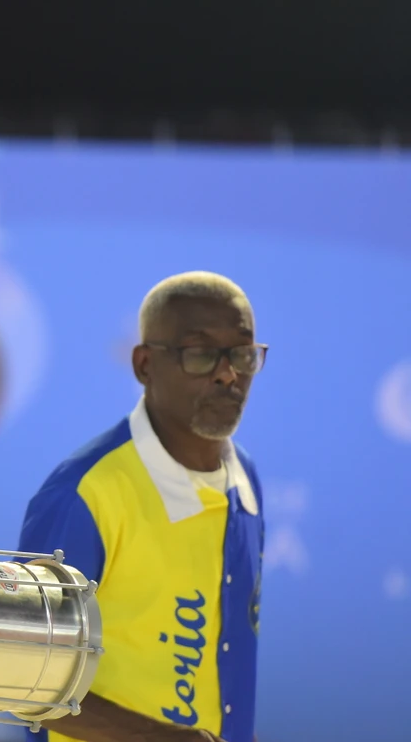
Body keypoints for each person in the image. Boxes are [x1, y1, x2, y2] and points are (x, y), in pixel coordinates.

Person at [19, 272, 267, 742]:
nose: (228, 373)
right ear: (144, 365)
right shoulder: (83, 493)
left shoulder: (245, 480)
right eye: (200, 353)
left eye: (242, 354)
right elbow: (23, 679)